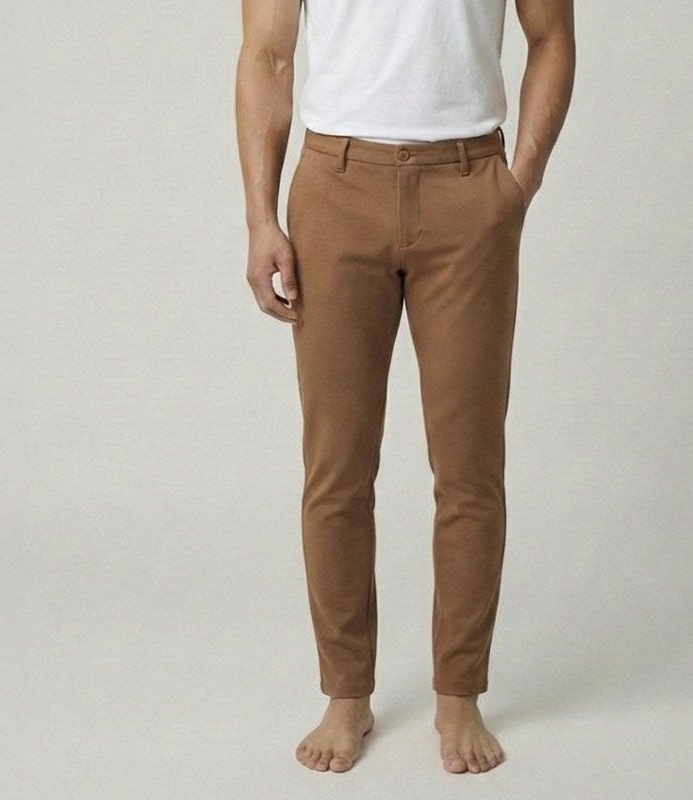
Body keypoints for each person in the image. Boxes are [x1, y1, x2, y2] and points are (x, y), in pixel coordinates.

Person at [235, 0, 575, 775]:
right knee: (337, 468)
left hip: (468, 185)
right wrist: (260, 218)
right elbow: (266, 56)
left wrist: (517, 185)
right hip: (334, 187)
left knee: (469, 467)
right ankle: (346, 693)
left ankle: (459, 692)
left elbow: (552, 37)